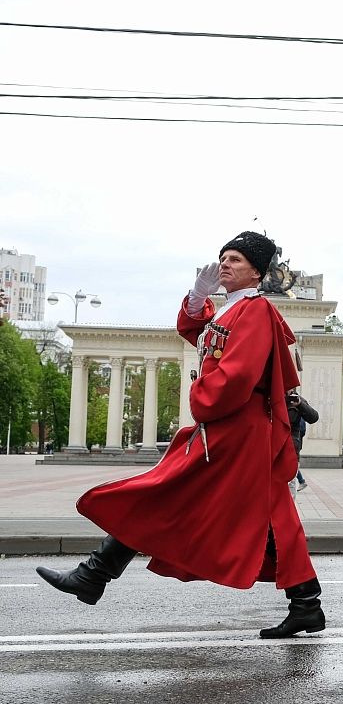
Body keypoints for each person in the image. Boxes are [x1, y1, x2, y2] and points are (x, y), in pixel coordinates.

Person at [35, 231, 324, 639]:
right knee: (271, 515)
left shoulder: (255, 311)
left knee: (165, 492)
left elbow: (237, 375)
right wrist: (195, 299)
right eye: (223, 257)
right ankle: (306, 604)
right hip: (233, 430)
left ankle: (94, 574)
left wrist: (198, 394)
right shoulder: (234, 310)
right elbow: (204, 337)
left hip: (237, 432)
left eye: (237, 259)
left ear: (257, 272)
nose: (225, 264)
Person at [288, 390, 318, 492]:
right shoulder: (272, 397)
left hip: (291, 449)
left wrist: (300, 404)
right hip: (272, 448)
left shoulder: (297, 400)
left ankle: (301, 482)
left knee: (290, 485)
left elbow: (313, 417)